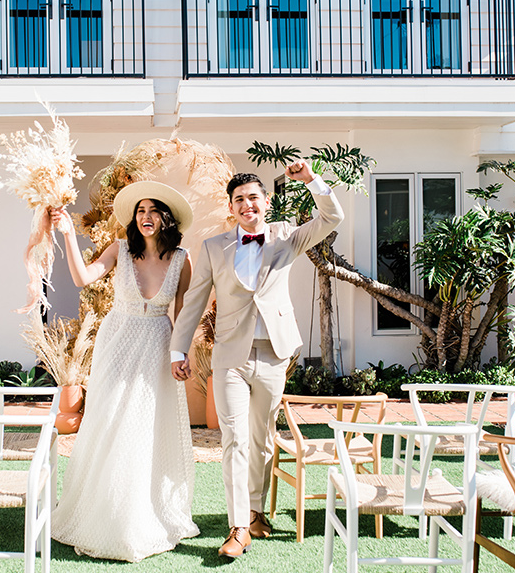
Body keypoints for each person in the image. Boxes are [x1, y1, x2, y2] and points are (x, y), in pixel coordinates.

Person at [169, 160, 343, 558]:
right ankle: (237, 528)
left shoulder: (287, 237)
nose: (246, 204)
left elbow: (333, 215)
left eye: (252, 197)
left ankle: (255, 510)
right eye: (238, 200)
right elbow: (194, 301)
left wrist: (312, 180)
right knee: (233, 438)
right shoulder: (214, 247)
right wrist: (179, 349)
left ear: (265, 201)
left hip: (274, 355)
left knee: (262, 436)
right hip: (230, 355)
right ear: (231, 207)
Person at [49, 180, 199, 562]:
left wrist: (181, 355)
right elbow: (83, 277)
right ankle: (102, 513)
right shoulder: (120, 250)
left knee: (147, 428)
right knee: (111, 421)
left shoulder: (182, 260)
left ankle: (141, 514)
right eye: (140, 211)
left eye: (153, 211)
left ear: (166, 219)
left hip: (157, 346)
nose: (145, 217)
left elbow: (182, 315)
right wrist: (67, 233)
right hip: (118, 341)